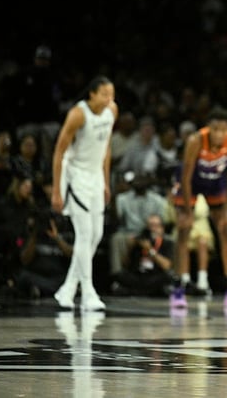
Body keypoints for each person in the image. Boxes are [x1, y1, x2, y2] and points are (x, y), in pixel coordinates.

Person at [51, 76, 117, 311]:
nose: (109, 99)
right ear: (91, 94)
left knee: (96, 234)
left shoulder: (112, 111)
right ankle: (88, 293)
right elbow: (58, 153)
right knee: (84, 234)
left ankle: (67, 289)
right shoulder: (78, 114)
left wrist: (106, 182)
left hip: (96, 176)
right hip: (76, 175)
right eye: (104, 94)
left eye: (112, 94)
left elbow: (106, 147)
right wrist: (57, 191)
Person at [172, 106, 227, 308]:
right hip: (192, 183)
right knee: (184, 227)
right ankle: (179, 286)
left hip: (216, 182)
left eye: (223, 129)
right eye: (215, 129)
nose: (219, 134)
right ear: (208, 129)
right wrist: (188, 210)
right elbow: (186, 178)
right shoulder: (196, 141)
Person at [111, 213, 175, 297]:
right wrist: (131, 247)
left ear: (162, 228)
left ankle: (135, 291)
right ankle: (146, 292)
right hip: (138, 275)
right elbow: (126, 264)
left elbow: (166, 266)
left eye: (156, 226)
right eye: (150, 226)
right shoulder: (140, 241)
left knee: (168, 277)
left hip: (154, 275)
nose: (153, 229)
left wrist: (150, 251)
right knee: (119, 275)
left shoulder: (167, 242)